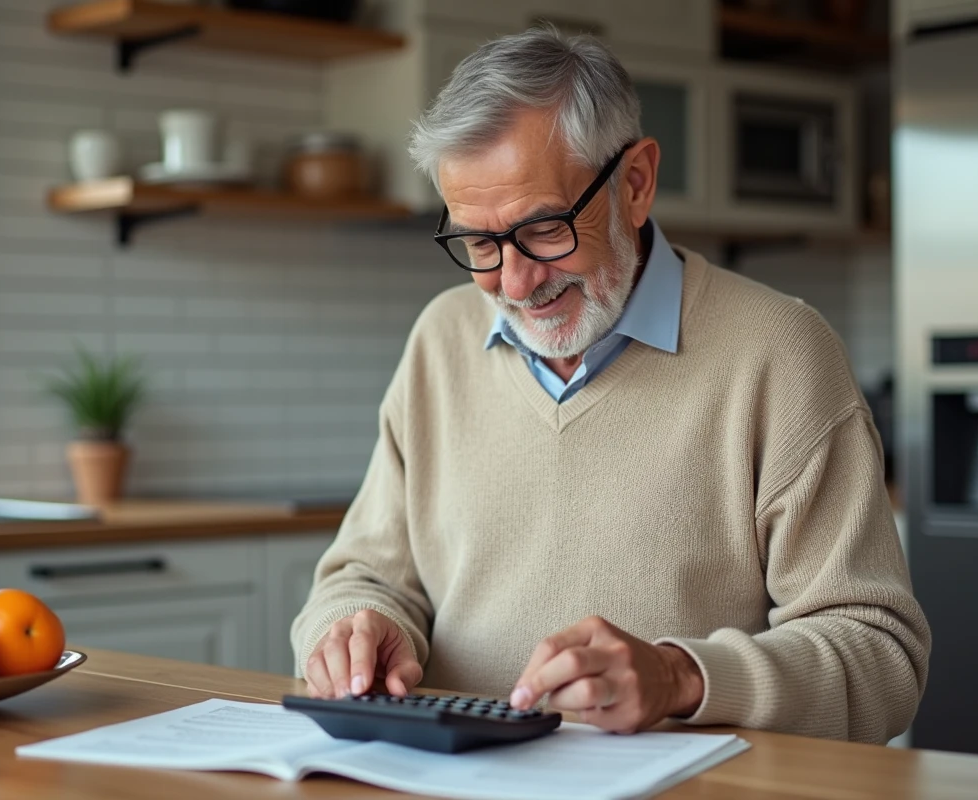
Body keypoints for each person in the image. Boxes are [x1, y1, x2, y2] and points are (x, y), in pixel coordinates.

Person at [291, 26, 930, 743]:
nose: (515, 281)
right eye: (478, 243)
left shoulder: (781, 353)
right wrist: (353, 628)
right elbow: (363, 577)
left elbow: (882, 659)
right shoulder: (442, 340)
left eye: (544, 228)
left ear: (635, 183)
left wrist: (682, 679)